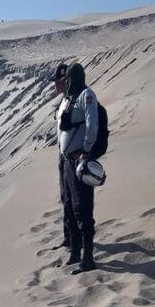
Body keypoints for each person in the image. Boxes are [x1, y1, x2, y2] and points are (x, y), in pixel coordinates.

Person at [59, 63, 98, 273]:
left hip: (79, 161)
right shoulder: (70, 99)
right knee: (71, 208)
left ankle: (88, 257)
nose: (67, 83)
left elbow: (93, 125)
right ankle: (75, 251)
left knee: (83, 209)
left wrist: (87, 151)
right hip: (67, 161)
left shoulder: (86, 96)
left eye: (70, 79)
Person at [49, 63, 70, 250]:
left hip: (72, 158)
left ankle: (75, 240)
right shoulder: (63, 101)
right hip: (62, 156)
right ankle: (68, 237)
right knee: (65, 198)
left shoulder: (73, 100)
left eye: (57, 81)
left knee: (74, 201)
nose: (55, 84)